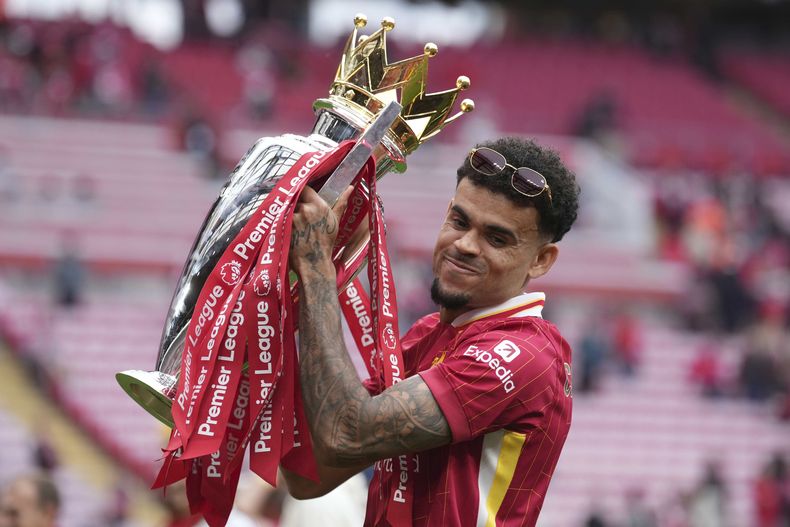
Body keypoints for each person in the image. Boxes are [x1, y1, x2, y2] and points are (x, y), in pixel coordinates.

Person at [284, 136, 580, 526]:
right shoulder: (429, 335)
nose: (466, 245)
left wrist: (316, 268)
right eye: (459, 222)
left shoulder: (524, 355)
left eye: (497, 238)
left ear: (541, 260)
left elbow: (345, 434)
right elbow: (309, 474)